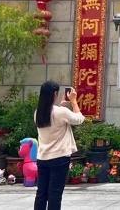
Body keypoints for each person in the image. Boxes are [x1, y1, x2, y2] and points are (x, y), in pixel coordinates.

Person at [34, 81, 85, 210]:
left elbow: (53, 117)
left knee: (41, 193)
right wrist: (73, 101)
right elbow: (79, 119)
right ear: (55, 94)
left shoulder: (38, 113)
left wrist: (62, 105)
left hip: (43, 158)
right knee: (55, 194)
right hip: (59, 159)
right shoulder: (60, 112)